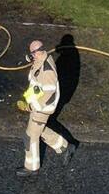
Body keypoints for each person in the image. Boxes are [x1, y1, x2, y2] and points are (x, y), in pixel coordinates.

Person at [16, 40, 76, 178]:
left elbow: (48, 92)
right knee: (40, 130)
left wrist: (31, 106)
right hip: (38, 105)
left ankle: (31, 168)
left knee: (30, 136)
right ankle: (65, 147)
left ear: (39, 52)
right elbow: (37, 84)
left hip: (42, 108)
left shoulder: (47, 69)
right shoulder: (41, 59)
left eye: (32, 54)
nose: (31, 56)